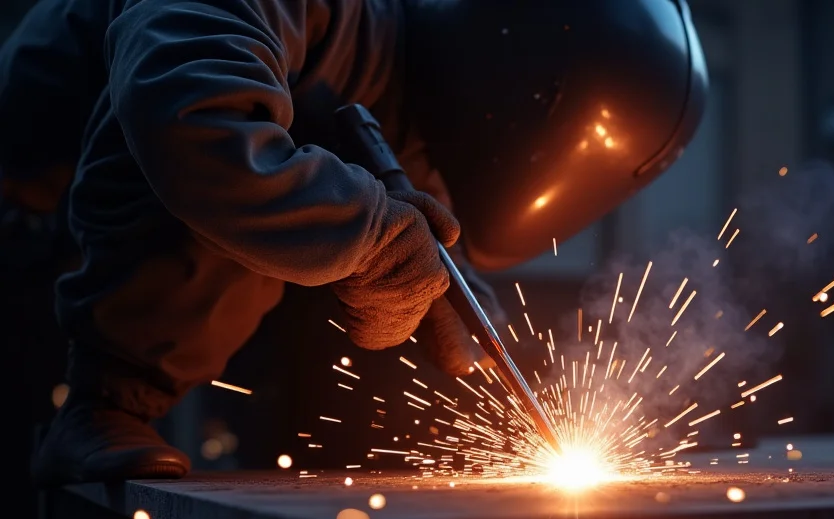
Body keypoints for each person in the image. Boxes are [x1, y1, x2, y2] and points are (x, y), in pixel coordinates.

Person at [0, 0, 706, 485]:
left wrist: (456, 303)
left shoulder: (416, 84)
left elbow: (404, 193)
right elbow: (190, 117)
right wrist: (368, 236)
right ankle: (105, 403)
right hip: (22, 203)